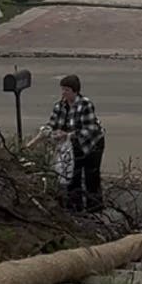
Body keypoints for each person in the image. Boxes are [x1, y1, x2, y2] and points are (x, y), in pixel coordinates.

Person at [45, 73, 105, 212]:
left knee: (91, 178)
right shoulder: (59, 106)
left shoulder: (85, 105)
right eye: (62, 89)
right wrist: (51, 133)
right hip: (72, 147)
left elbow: (90, 129)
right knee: (72, 177)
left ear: (75, 91)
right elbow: (51, 124)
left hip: (91, 145)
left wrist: (68, 135)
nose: (63, 93)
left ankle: (95, 209)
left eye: (67, 90)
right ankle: (75, 209)